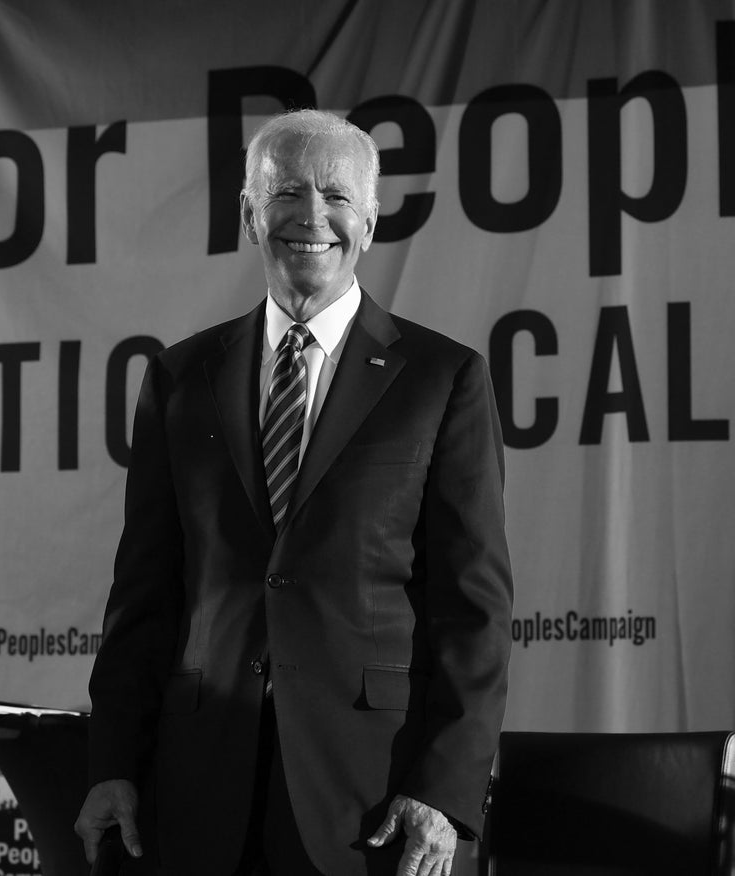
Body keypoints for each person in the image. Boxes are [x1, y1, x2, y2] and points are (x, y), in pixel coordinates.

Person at [74, 109, 513, 876]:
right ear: (250, 214)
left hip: (371, 801)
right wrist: (113, 761)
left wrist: (442, 791)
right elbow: (143, 595)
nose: (313, 217)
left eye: (338, 197)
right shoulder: (181, 379)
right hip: (196, 794)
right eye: (287, 194)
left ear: (370, 222)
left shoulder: (442, 381)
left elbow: (472, 610)